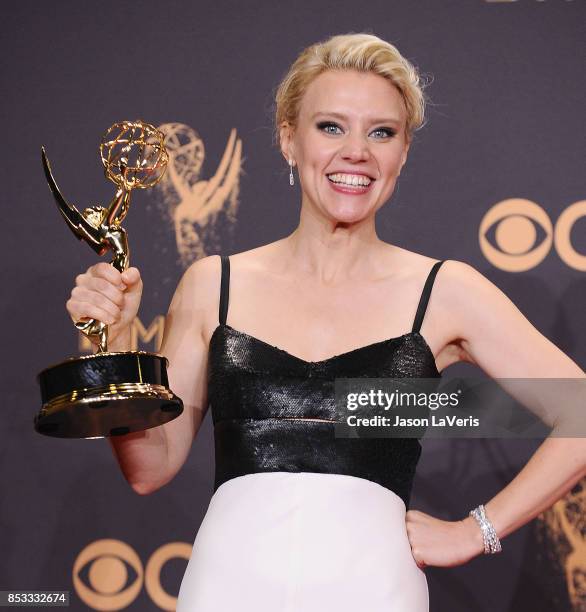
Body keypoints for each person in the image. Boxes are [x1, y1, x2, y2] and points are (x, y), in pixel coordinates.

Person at [65, 33, 586, 612]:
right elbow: (149, 467)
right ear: (289, 139)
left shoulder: (445, 291)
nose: (356, 152)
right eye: (331, 127)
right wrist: (105, 344)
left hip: (375, 592)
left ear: (403, 151)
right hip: (226, 590)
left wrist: (475, 530)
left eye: (381, 132)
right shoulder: (214, 284)